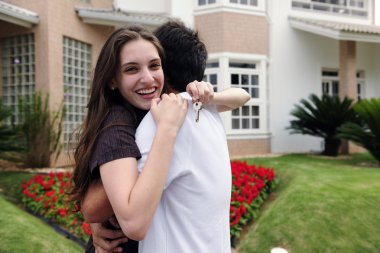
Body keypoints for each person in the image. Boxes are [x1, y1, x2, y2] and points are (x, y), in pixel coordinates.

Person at [81, 20, 250, 253]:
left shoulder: (175, 108)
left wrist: (211, 96)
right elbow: (93, 207)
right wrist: (166, 130)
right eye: (132, 68)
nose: (148, 78)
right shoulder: (123, 123)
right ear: (112, 78)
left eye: (154, 65)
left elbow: (242, 95)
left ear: (164, 68)